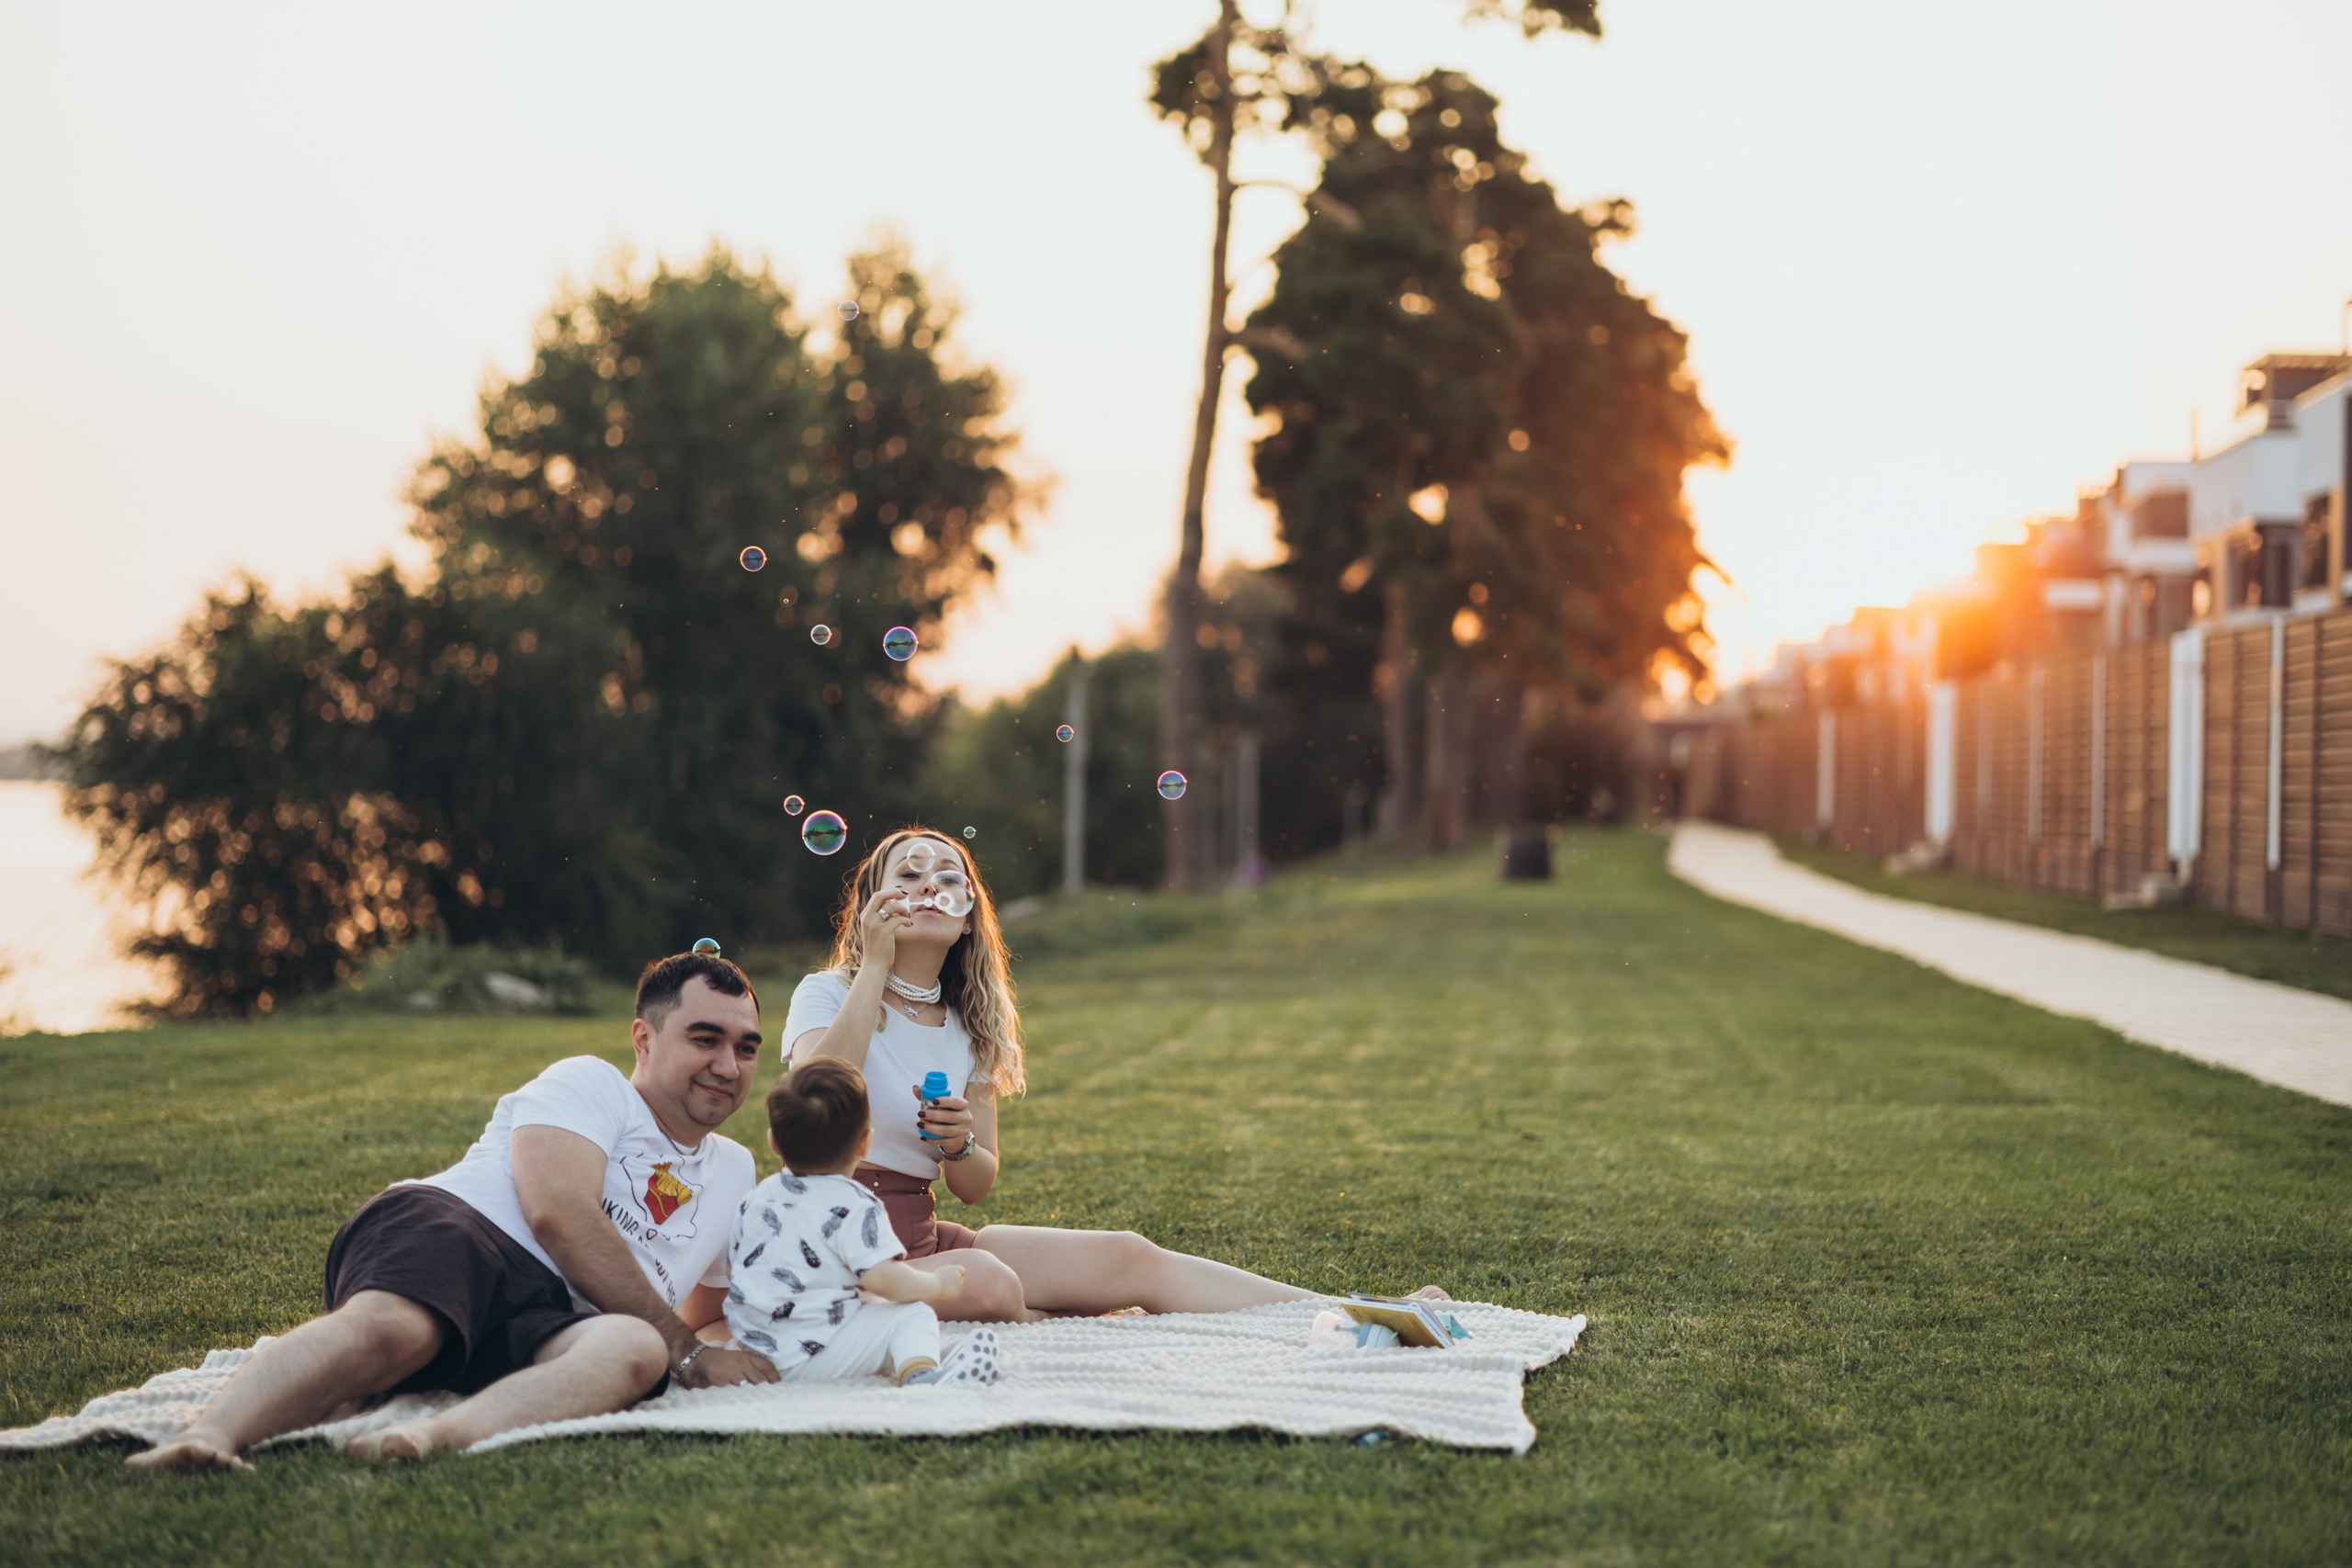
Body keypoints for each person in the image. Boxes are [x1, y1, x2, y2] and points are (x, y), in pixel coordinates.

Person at [129, 951, 780, 1472]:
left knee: (636, 1347)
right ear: (644, 1037)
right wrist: (686, 1350)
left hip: (551, 1320)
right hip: (465, 1232)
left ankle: (434, 1435)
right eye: (706, 1038)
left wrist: (714, 1347)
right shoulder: (591, 1082)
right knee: (401, 1331)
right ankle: (208, 1435)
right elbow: (557, 1212)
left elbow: (701, 1310)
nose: (728, 1064)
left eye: (746, 1047)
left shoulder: (736, 1169)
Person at [784, 827, 1451, 1319]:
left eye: (949, 876)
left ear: (966, 922)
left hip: (923, 1235)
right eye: (907, 874)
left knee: (1130, 1254)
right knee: (992, 1278)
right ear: (873, 905)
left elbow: (975, 1184)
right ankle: (1036, 1315)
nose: (930, 882)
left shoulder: (969, 1026)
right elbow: (811, 1101)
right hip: (839, 1239)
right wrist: (873, 967)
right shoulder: (827, 990)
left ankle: (1356, 1310)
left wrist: (959, 1144)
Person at [723, 1056, 1001, 1386]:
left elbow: (733, 1269)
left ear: (773, 1143)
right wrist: (936, 1285)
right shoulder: (855, 1203)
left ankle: (919, 1353)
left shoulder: (756, 1198)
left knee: (869, 1311)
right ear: (865, 1143)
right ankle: (923, 1377)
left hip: (752, 1349)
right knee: (912, 1315)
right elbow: (883, 1279)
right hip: (809, 1356)